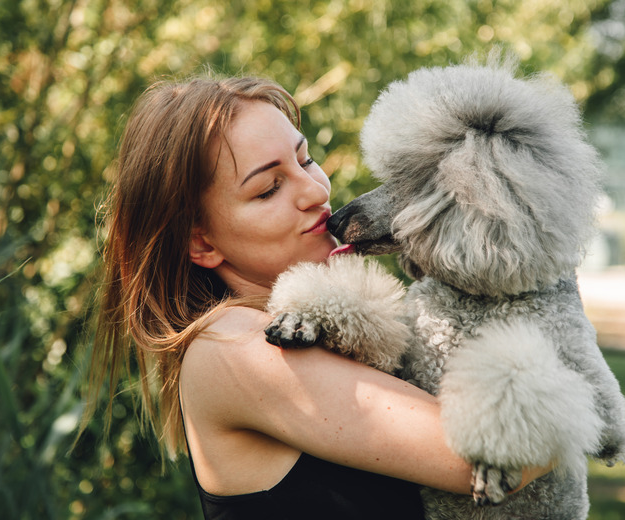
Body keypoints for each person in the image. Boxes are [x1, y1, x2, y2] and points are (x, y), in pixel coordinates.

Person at [82, 74, 549, 519]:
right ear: (201, 243)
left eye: (304, 160)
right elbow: (498, 452)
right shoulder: (234, 348)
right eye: (268, 189)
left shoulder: (313, 330)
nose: (316, 190)